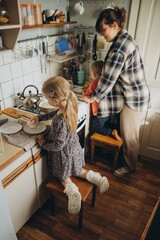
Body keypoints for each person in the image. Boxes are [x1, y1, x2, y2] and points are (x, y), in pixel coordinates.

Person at [28, 76, 109, 215]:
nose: (47, 101)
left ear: (56, 101)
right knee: (78, 171)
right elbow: (54, 113)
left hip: (63, 155)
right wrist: (39, 117)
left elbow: (58, 145)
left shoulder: (60, 121)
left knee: (63, 176)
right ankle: (97, 178)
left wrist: (44, 144)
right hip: (74, 149)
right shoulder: (69, 104)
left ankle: (72, 192)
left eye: (47, 99)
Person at [88, 4, 150, 177]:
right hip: (132, 96)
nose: (102, 34)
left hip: (134, 98)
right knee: (126, 133)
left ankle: (129, 167)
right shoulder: (122, 39)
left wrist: (94, 97)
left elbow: (108, 77)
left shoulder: (121, 46)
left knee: (130, 136)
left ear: (114, 25)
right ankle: (126, 162)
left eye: (103, 29)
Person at [80, 60, 122, 141]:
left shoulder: (94, 82)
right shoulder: (106, 82)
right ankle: (116, 131)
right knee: (105, 124)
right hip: (107, 111)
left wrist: (83, 92)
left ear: (94, 74)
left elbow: (86, 95)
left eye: (91, 74)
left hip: (98, 113)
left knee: (96, 127)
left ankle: (111, 132)